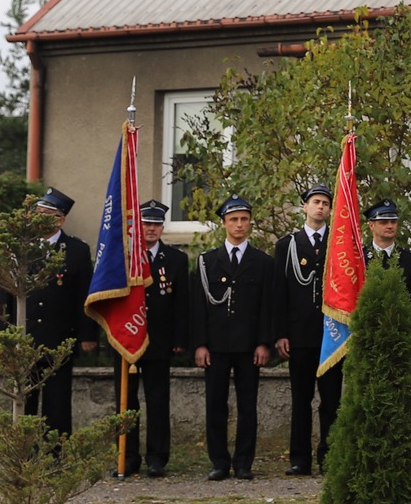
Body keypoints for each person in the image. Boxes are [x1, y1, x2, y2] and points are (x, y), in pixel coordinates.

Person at [189, 196, 280, 481]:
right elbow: (198, 306)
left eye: (244, 219)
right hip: (215, 346)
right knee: (215, 404)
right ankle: (219, 461)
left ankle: (243, 463)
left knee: (247, 406)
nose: (239, 225)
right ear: (224, 224)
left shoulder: (263, 263)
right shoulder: (207, 262)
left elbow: (268, 306)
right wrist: (200, 343)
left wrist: (264, 342)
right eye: (233, 220)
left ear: (250, 223)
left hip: (248, 346)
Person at [275, 184, 339, 476]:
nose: (321, 207)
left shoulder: (339, 244)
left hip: (332, 336)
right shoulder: (287, 245)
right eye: (316, 202)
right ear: (305, 207)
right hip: (299, 335)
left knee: (332, 401)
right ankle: (299, 459)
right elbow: (280, 292)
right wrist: (280, 333)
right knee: (301, 400)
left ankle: (330, 456)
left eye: (326, 203)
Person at [21, 188, 94, 438]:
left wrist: (87, 334)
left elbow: (84, 295)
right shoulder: (21, 247)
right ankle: (24, 453)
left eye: (48, 215)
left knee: (58, 402)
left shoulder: (76, 250)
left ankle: (55, 454)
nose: (41, 219)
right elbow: (3, 294)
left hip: (59, 338)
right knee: (24, 401)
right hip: (25, 339)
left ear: (60, 220)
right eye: (38, 213)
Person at [130, 199, 189, 477]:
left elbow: (181, 303)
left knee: (157, 400)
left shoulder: (176, 259)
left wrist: (179, 338)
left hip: (159, 340)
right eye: (146, 224)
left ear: (162, 227)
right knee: (126, 401)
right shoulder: (122, 258)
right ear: (135, 227)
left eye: (155, 224)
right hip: (127, 340)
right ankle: (127, 457)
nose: (150, 229)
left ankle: (156, 457)